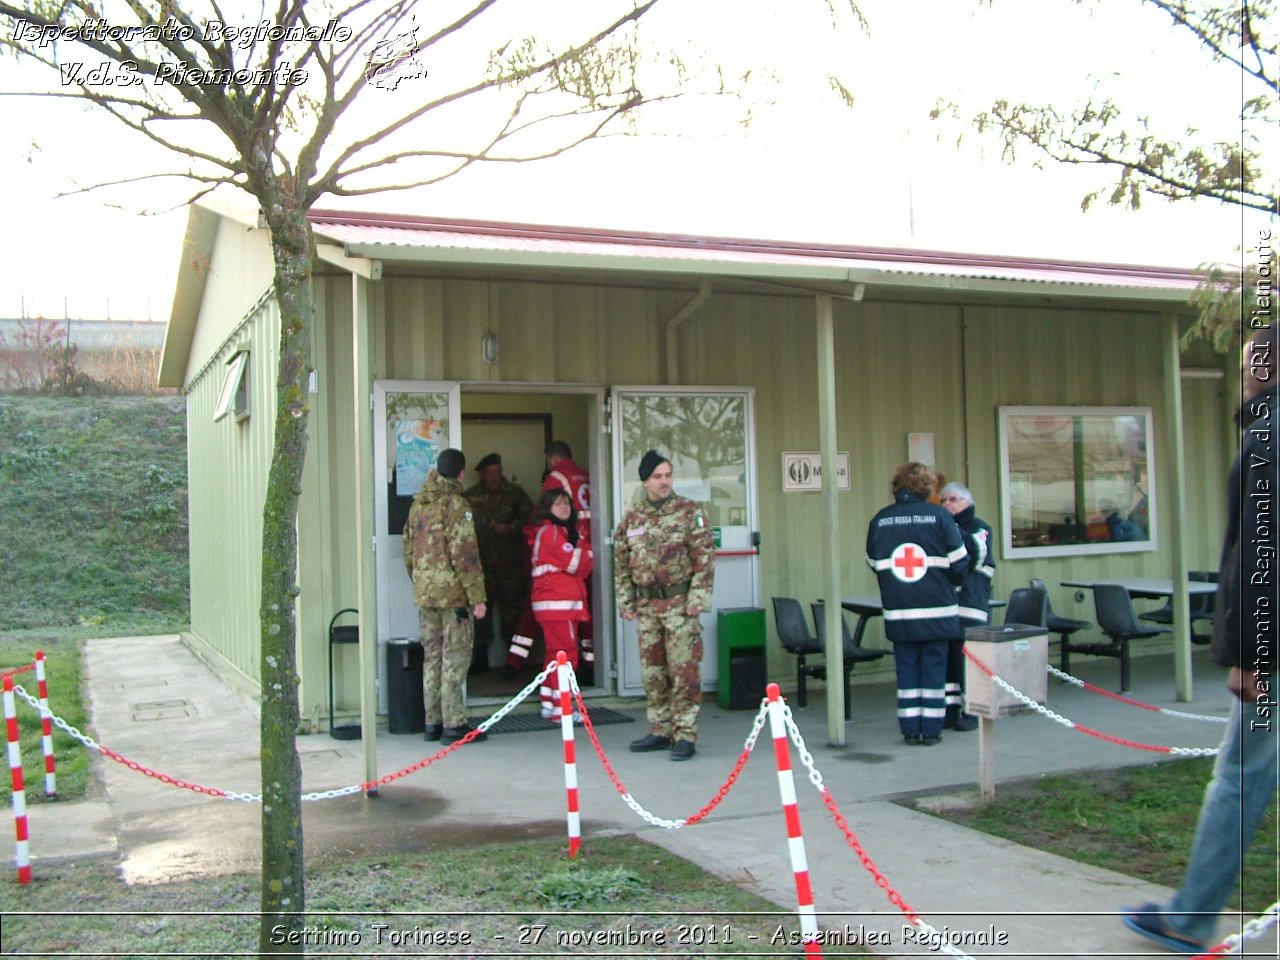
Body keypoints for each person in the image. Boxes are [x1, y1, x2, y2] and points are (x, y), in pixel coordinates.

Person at [1123, 323, 1279, 954]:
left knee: (1240, 779)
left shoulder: (1265, 440)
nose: (1243, 373)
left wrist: (1247, 656)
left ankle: (1190, 919)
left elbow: (1257, 557)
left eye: (1249, 362)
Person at [615, 450, 716, 761]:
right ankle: (661, 728)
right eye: (657, 476)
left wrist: (697, 601)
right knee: (654, 673)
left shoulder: (689, 512)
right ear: (645, 481)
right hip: (648, 607)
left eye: (668, 475)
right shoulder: (633, 518)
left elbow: (704, 559)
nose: (664, 481)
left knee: (683, 673)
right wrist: (625, 600)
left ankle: (685, 733)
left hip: (680, 606)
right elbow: (621, 562)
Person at [866, 462, 969, 746]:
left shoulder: (881, 520)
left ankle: (910, 729)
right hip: (938, 610)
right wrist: (951, 584)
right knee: (934, 670)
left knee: (907, 669)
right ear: (927, 488)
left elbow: (874, 562)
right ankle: (932, 730)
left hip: (900, 611)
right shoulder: (940, 517)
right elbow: (960, 562)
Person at [402, 448, 488, 745]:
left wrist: (421, 580)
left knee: (432, 658)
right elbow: (466, 555)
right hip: (453, 597)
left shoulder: (419, 505)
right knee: (455, 658)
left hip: (426, 596)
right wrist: (477, 597)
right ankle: (454, 724)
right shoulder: (456, 505)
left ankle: (432, 722)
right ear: (461, 474)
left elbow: (408, 551)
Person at [528, 488, 594, 720]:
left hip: (559, 605)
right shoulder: (551, 533)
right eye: (558, 504)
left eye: (566, 502)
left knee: (555, 655)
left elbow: (584, 565)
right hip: (557, 605)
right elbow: (578, 564)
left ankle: (549, 702)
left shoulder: (562, 532)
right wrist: (583, 547)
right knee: (566, 656)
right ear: (548, 508)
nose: (564, 507)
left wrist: (581, 551)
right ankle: (562, 710)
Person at [465, 452, 533, 674]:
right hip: (480, 567)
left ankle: (514, 662)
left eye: (497, 472)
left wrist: (511, 528)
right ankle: (480, 660)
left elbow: (531, 521)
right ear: (481, 475)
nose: (494, 477)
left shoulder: (515, 494)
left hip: (509, 565)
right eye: (489, 473)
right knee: (479, 615)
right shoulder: (471, 496)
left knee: (511, 614)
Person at [938, 481, 995, 733]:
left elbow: (972, 555)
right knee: (949, 662)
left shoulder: (980, 529)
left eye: (953, 499)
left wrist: (949, 529)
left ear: (968, 503)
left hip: (971, 606)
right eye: (943, 501)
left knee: (969, 663)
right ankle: (950, 711)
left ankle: (973, 712)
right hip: (947, 607)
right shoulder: (944, 528)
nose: (947, 504)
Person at [541, 440, 595, 680]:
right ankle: (591, 663)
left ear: (552, 459)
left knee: (562, 644)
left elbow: (546, 509)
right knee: (587, 614)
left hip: (570, 549)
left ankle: (563, 688)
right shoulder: (586, 474)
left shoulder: (556, 477)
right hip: (589, 545)